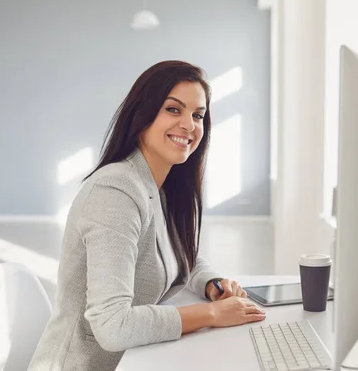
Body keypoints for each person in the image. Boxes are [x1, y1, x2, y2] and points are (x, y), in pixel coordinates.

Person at [28, 61, 266, 371]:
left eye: (198, 115)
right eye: (173, 109)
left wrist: (213, 284)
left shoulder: (159, 188)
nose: (189, 125)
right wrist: (211, 315)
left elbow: (176, 255)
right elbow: (112, 325)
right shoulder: (115, 191)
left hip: (136, 360)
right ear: (142, 115)